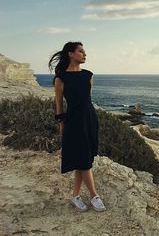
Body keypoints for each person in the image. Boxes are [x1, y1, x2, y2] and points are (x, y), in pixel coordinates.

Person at [49, 41, 106, 212]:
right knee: (84, 162)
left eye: (84, 51)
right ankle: (94, 196)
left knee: (84, 160)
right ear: (70, 54)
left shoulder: (89, 75)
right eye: (81, 51)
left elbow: (88, 100)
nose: (84, 54)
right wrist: (61, 124)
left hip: (89, 119)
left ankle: (75, 195)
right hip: (73, 122)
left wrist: (93, 120)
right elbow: (58, 103)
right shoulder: (60, 78)